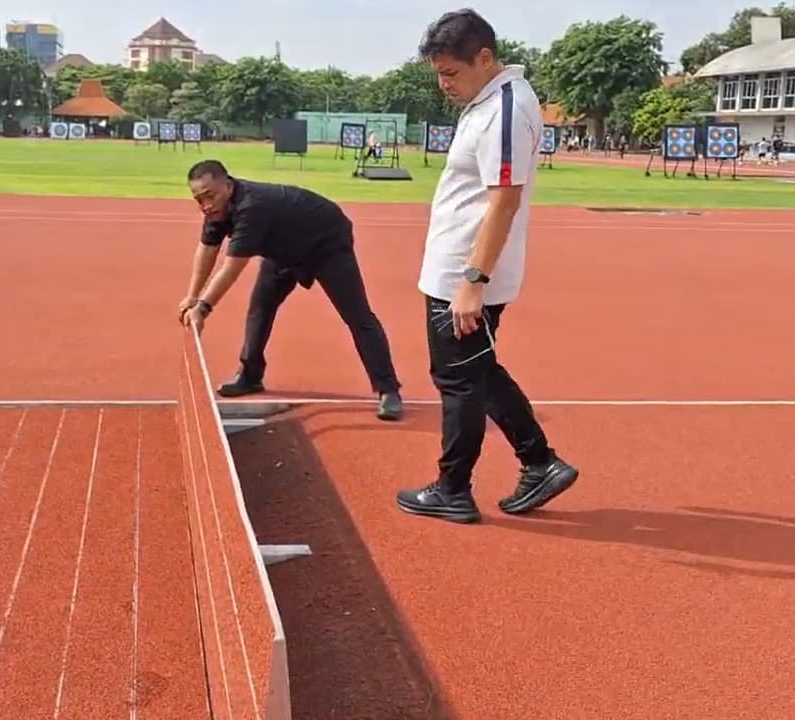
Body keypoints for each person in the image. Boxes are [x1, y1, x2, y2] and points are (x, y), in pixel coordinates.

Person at [395, 9, 579, 524]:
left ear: (484, 58)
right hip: (458, 268)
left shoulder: (503, 109)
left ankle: (454, 487)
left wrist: (472, 282)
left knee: (457, 380)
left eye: (450, 73)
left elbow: (504, 200)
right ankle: (539, 460)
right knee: (476, 370)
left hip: (466, 272)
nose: (443, 84)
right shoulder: (488, 103)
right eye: (438, 73)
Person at [178, 160, 405, 421]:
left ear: (228, 185)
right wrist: (191, 296)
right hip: (282, 252)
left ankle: (388, 390)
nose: (205, 204)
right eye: (198, 199)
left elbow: (231, 268)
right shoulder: (215, 212)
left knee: (357, 316)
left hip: (325, 243)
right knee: (260, 307)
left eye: (210, 195)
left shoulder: (251, 207)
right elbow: (207, 249)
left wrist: (203, 308)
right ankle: (251, 375)